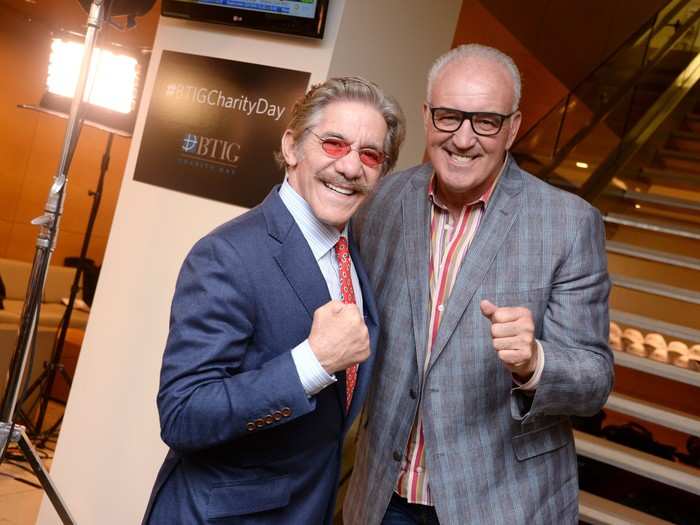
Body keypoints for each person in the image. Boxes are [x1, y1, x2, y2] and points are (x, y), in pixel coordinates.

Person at [343, 44, 612, 524]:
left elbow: (593, 383)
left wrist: (535, 362)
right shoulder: (380, 201)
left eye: (486, 121)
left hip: (500, 505)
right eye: (448, 117)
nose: (463, 139)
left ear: (512, 128)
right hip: (382, 499)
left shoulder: (568, 223)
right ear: (427, 117)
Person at [142, 76, 405, 525]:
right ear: (291, 147)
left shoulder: (350, 255)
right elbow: (183, 414)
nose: (350, 167)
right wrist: (312, 364)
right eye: (334, 144)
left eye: (370, 155)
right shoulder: (228, 254)